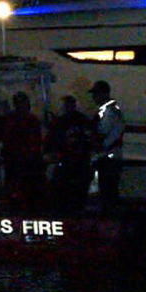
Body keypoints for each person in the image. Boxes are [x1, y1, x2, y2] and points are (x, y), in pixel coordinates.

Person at [44, 95, 94, 212]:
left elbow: (50, 144)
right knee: (73, 197)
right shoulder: (81, 120)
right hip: (74, 165)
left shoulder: (61, 122)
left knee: (68, 197)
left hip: (72, 165)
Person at [0, 91, 44, 209]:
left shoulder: (31, 120)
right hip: (16, 163)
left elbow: (37, 142)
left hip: (28, 164)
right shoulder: (10, 120)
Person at [90, 80, 124, 211]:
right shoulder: (111, 110)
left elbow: (102, 132)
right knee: (109, 191)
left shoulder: (109, 112)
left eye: (96, 94)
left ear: (104, 94)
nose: (94, 97)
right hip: (110, 156)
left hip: (108, 158)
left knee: (107, 192)